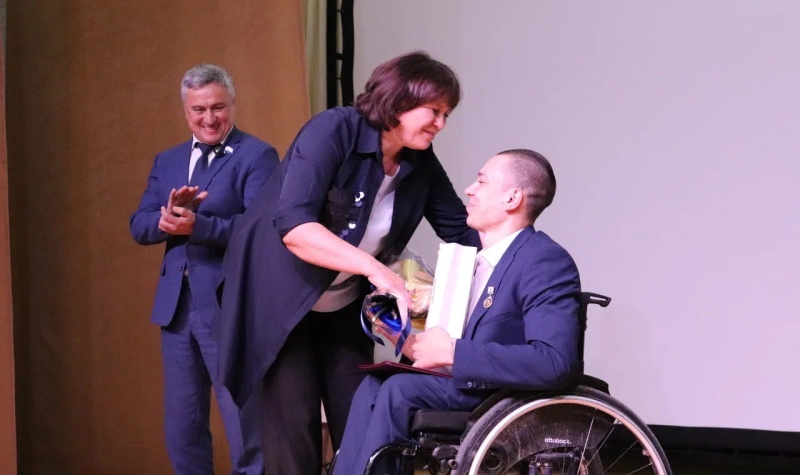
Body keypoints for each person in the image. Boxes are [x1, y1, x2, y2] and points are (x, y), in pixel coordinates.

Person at [216, 51, 481, 474]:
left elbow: (463, 234)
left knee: (364, 427)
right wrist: (375, 269)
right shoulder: (334, 129)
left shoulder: (420, 163)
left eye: (446, 114)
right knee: (294, 437)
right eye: (434, 110)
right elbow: (294, 228)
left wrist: (522, 262)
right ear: (400, 100)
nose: (441, 124)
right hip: (281, 302)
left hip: (343, 306)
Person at [330, 149, 583, 475]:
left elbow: (554, 362)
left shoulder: (542, 259)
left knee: (398, 390)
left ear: (511, 198)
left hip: (499, 395)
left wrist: (452, 351)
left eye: (481, 182)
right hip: (468, 383)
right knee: (375, 383)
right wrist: (401, 330)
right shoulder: (476, 261)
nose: (469, 190)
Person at [130, 64, 279, 475]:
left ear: (232, 104)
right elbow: (138, 224)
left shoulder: (257, 155)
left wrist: (199, 226)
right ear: (186, 111)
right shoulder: (168, 160)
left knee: (244, 424)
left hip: (228, 306)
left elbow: (261, 228)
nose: (209, 118)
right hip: (176, 310)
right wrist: (166, 220)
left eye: (218, 107)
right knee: (182, 428)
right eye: (199, 110)